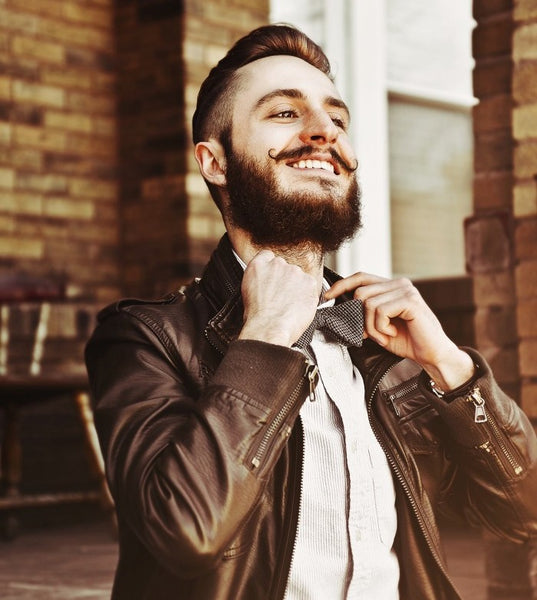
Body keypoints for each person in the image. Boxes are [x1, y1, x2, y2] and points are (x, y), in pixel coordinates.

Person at [85, 24, 537, 600]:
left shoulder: (381, 344)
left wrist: (450, 367)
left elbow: (523, 513)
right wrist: (264, 342)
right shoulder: (145, 337)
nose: (324, 131)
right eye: (283, 114)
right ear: (214, 163)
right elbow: (184, 531)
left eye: (338, 119)